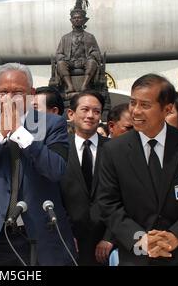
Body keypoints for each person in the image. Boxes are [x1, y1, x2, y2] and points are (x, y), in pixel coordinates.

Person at [0, 63, 77, 266]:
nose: (9, 98)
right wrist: (0, 135)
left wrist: (21, 134)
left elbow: (56, 170)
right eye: (4, 92)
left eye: (17, 92)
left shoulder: (52, 124)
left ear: (31, 94)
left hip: (41, 234)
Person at [97, 74, 178, 265]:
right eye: (132, 103)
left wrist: (177, 235)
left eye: (145, 105)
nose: (135, 111)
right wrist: (140, 238)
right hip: (139, 256)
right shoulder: (114, 151)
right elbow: (107, 203)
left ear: (167, 109)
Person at [61, 90, 112, 265]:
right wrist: (64, 234)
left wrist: (110, 237)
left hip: (106, 244)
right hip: (69, 241)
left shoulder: (115, 150)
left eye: (96, 111)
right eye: (85, 110)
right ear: (71, 113)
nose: (90, 115)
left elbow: (126, 196)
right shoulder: (58, 149)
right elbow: (53, 194)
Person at [55, 0, 101, 95]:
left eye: (79, 18)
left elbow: (96, 52)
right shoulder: (65, 38)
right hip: (70, 62)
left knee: (92, 63)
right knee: (60, 64)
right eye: (74, 18)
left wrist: (91, 57)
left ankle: (85, 85)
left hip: (84, 61)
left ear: (84, 20)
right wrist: (63, 58)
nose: (77, 19)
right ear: (71, 20)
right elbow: (58, 54)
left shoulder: (90, 37)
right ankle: (69, 86)